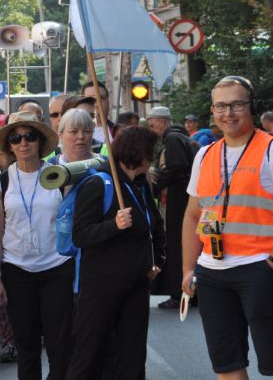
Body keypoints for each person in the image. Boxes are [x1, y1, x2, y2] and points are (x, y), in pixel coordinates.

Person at [181, 76, 273, 380]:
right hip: (212, 272)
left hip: (260, 268)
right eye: (221, 106)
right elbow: (192, 216)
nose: (229, 113)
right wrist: (189, 269)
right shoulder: (205, 154)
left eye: (237, 104)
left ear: (252, 107)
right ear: (213, 111)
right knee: (227, 367)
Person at [65, 126, 166, 380]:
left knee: (133, 356)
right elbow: (81, 235)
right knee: (89, 354)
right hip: (101, 287)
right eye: (150, 151)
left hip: (136, 284)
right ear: (139, 153)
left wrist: (157, 261)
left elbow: (155, 226)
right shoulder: (98, 184)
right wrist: (114, 225)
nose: (153, 157)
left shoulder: (142, 185)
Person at [0, 112, 74, 379]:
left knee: (60, 347)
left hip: (57, 268)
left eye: (30, 136)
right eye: (16, 138)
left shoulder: (59, 175)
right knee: (27, 349)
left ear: (40, 141)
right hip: (17, 271)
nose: (23, 143)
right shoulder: (1, 181)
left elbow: (71, 223)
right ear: (10, 146)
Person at [146, 106, 196, 309]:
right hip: (183, 198)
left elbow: (177, 167)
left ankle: (179, 293)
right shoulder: (182, 138)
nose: (151, 129)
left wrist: (156, 182)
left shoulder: (173, 139)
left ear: (163, 122)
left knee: (176, 246)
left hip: (178, 200)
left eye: (152, 125)